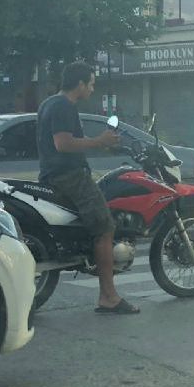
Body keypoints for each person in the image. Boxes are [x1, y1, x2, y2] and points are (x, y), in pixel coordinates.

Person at [37, 62, 139, 314]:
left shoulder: (48, 103)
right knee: (105, 228)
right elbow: (63, 144)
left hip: (54, 175)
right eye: (91, 83)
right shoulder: (63, 106)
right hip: (70, 177)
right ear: (80, 84)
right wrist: (98, 141)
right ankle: (108, 297)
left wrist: (99, 143)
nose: (93, 89)